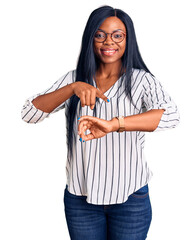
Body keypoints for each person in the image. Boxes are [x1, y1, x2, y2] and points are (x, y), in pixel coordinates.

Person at [21, 5, 180, 240]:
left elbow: (171, 116)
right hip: (80, 200)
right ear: (91, 38)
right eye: (100, 34)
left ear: (127, 40)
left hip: (130, 199)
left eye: (118, 35)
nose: (109, 42)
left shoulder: (141, 80)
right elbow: (29, 113)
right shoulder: (74, 79)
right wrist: (72, 88)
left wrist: (115, 124)